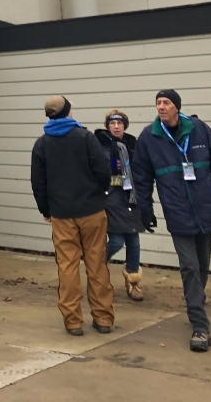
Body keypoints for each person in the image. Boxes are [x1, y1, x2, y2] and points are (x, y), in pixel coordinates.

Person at [133, 89, 211, 352]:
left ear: (177, 107)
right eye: (158, 103)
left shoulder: (199, 129)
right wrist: (145, 209)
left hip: (206, 208)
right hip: (177, 211)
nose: (161, 107)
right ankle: (200, 327)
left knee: (202, 265)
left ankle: (195, 301)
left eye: (166, 102)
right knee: (189, 267)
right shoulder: (149, 137)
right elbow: (142, 177)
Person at [30, 96, 114, 336]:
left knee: (67, 266)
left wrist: (46, 209)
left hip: (62, 214)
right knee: (97, 264)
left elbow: (38, 182)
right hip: (92, 211)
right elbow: (103, 170)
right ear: (68, 112)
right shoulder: (85, 137)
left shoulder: (42, 144)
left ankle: (73, 321)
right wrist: (99, 194)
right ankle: (103, 318)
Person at [94, 110, 146, 301]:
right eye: (112, 123)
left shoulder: (133, 145)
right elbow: (96, 173)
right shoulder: (100, 145)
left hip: (131, 198)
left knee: (134, 243)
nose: (116, 127)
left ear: (125, 125)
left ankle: (133, 281)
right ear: (107, 126)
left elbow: (142, 170)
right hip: (111, 199)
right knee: (116, 241)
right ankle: (96, 269)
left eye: (120, 123)